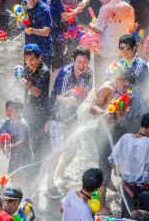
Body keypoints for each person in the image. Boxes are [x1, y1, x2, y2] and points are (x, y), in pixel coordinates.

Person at [90, 69, 142, 214]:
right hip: (103, 134)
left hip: (119, 132)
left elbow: (124, 117)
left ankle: (110, 184)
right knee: (104, 168)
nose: (127, 90)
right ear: (118, 79)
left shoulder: (129, 95)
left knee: (116, 164)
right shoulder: (107, 89)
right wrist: (104, 112)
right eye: (124, 86)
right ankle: (100, 206)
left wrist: (122, 113)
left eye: (129, 87)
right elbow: (92, 109)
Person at [46, 47, 93, 197]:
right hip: (57, 116)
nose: (81, 65)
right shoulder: (65, 74)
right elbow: (58, 98)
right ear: (73, 61)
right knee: (57, 151)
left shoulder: (88, 73)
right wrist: (70, 100)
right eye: (78, 61)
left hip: (72, 115)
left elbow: (86, 92)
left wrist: (78, 102)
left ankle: (60, 173)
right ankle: (49, 185)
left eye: (85, 62)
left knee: (73, 148)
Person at [108, 112, 149, 217]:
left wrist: (121, 173)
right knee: (141, 216)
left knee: (126, 215)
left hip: (126, 187)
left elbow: (111, 160)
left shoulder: (125, 137)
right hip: (144, 189)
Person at [89, 0, 135, 84]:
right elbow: (131, 28)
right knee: (121, 80)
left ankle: (100, 97)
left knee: (103, 80)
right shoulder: (129, 7)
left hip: (107, 52)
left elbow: (98, 29)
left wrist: (91, 25)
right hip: (124, 51)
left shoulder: (106, 8)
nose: (100, 0)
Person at [41, 0, 80, 74]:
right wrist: (76, 11)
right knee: (57, 65)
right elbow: (65, 17)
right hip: (55, 35)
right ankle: (54, 86)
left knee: (41, 63)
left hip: (39, 35)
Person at [21, 44, 50, 163]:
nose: (29, 62)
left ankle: (38, 166)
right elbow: (26, 93)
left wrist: (26, 83)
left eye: (32, 59)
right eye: (26, 59)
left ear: (39, 58)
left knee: (38, 141)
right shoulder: (28, 68)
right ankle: (29, 162)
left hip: (40, 112)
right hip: (29, 109)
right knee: (28, 137)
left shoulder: (44, 71)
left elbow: (37, 92)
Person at [0, 100, 31, 185]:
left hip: (25, 155)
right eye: (7, 110)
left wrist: (10, 147)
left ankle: (23, 193)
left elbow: (22, 141)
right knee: (12, 176)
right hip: (14, 154)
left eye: (11, 110)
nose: (8, 113)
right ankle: (13, 191)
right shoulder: (7, 122)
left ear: (18, 111)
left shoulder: (22, 123)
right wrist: (3, 149)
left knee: (21, 178)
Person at [20, 0, 53, 68]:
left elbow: (46, 32)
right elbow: (19, 25)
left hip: (43, 52)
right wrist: (20, 19)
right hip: (28, 51)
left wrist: (32, 30)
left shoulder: (44, 9)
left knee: (42, 79)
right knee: (27, 79)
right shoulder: (24, 4)